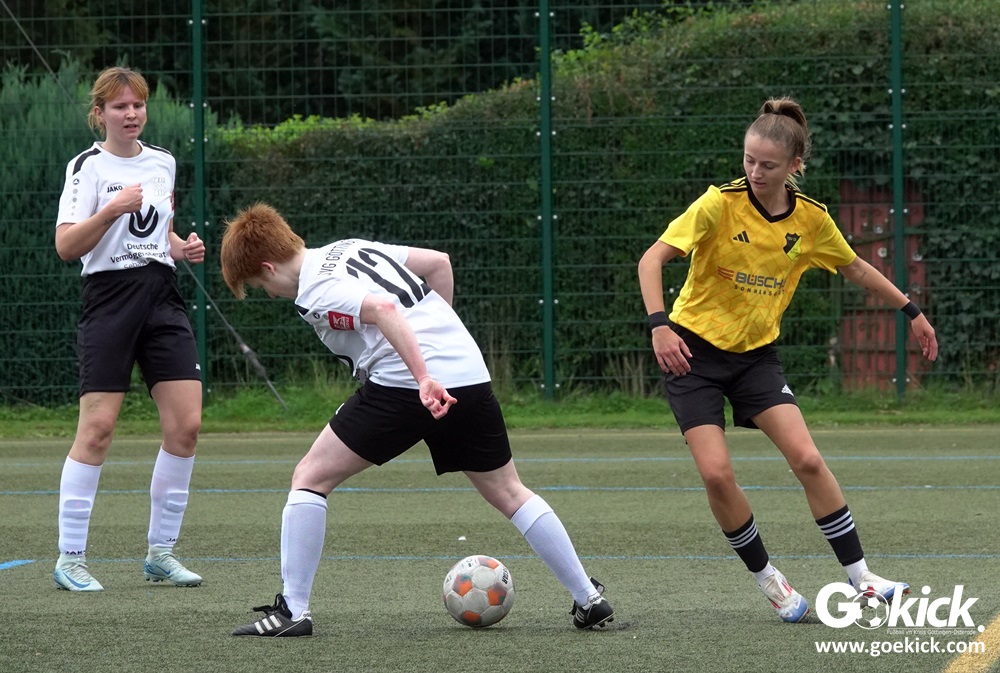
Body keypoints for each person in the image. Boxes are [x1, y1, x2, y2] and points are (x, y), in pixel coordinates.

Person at [220, 202, 614, 637]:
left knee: (309, 478)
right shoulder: (348, 247)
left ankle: (293, 612)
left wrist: (424, 375)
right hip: (468, 373)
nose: (269, 293)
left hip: (408, 387)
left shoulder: (315, 290)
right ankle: (589, 599)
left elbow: (383, 309)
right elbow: (439, 263)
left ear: (268, 267)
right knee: (510, 491)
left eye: (260, 285)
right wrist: (438, 341)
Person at [637, 97, 938, 623]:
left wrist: (911, 310)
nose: (755, 172)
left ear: (795, 165)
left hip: (757, 359)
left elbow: (856, 268)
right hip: (692, 355)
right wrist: (660, 326)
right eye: (749, 160)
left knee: (808, 460)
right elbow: (652, 259)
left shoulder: (811, 220)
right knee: (716, 475)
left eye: (768, 164)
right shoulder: (717, 204)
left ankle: (863, 577)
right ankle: (769, 580)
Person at [53, 66, 206, 591]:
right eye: (120, 106)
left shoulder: (163, 161)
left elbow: (160, 235)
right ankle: (70, 559)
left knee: (186, 426)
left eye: (138, 104)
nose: (132, 113)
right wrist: (112, 210)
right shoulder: (87, 167)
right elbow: (67, 246)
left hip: (162, 298)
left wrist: (181, 248)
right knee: (97, 429)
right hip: (109, 299)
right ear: (100, 114)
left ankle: (161, 553)